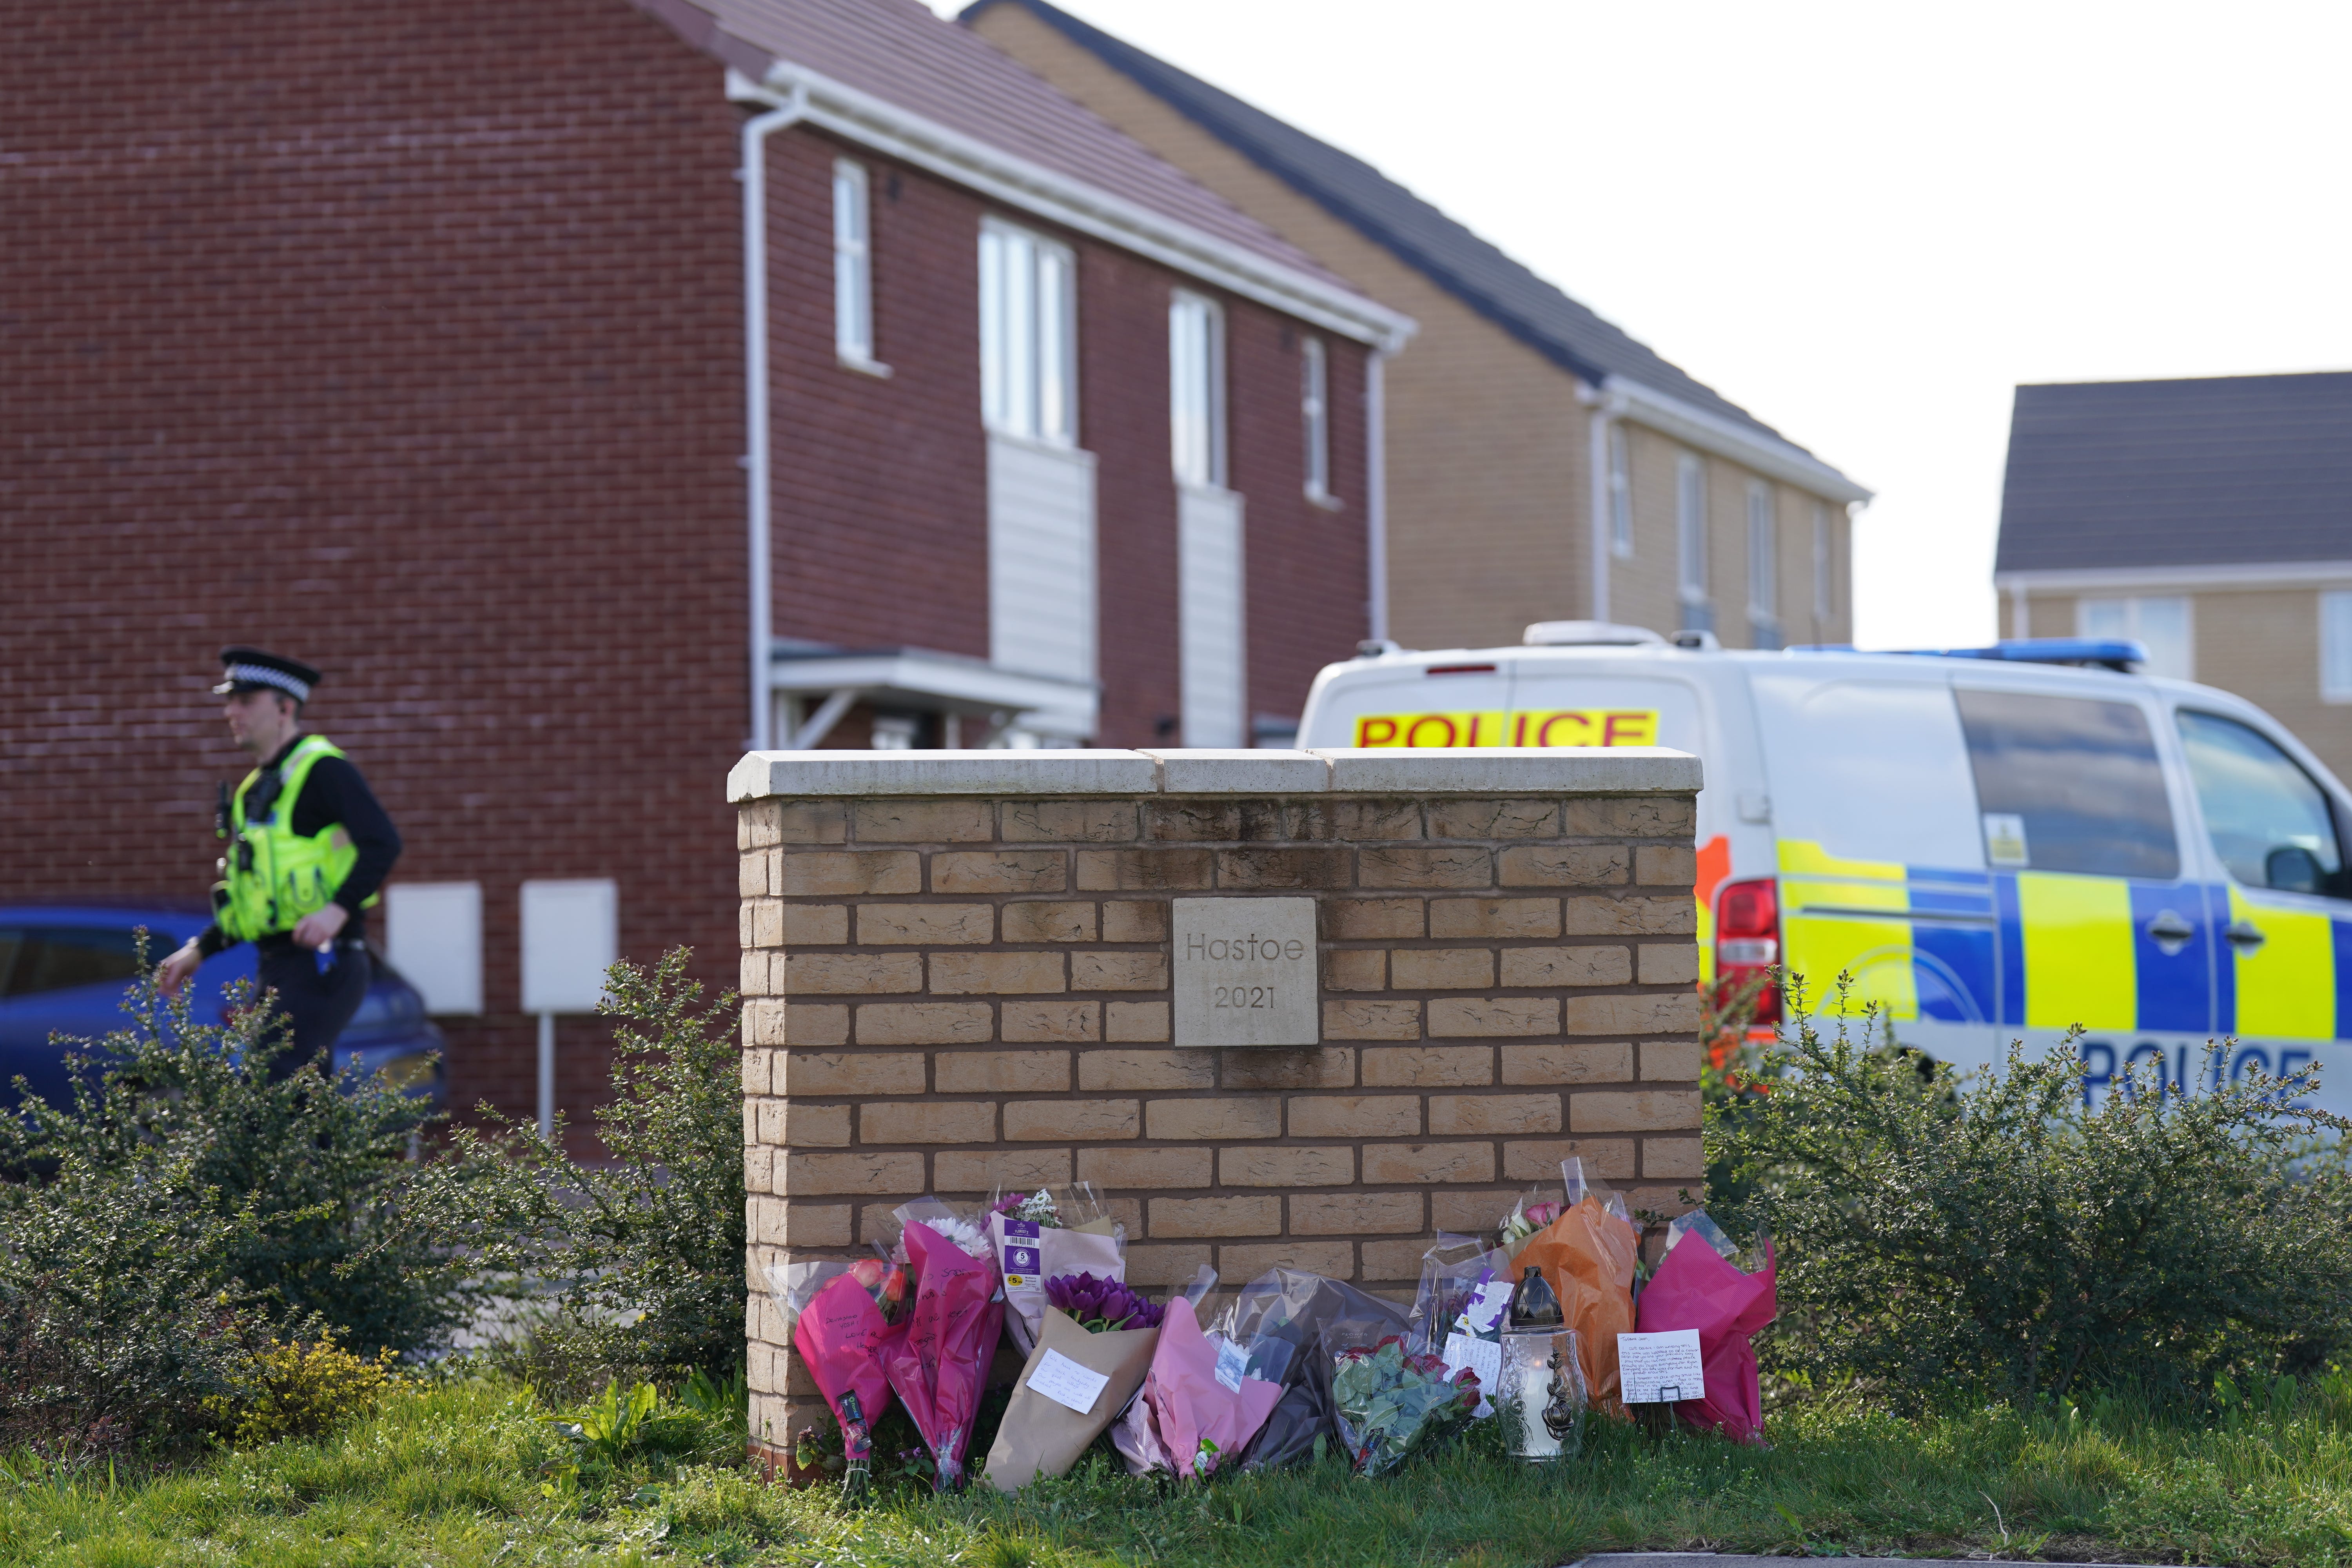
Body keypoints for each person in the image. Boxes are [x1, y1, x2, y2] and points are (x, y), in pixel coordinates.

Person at [157, 648, 403, 1076]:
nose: (231, 711)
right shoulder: (251, 792)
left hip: (324, 960)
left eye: (246, 701)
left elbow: (383, 842)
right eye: (229, 700)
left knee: (278, 1089)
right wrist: (200, 950)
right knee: (293, 1102)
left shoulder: (324, 769)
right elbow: (248, 898)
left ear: (285, 708)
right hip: (279, 964)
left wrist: (336, 910)